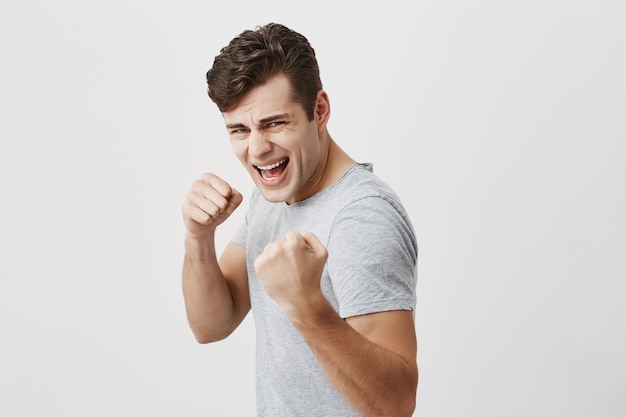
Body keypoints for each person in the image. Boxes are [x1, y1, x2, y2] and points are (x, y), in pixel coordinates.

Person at [181, 23, 418, 417]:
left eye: (274, 123)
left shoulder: (361, 217)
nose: (257, 149)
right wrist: (198, 239)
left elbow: (395, 405)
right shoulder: (274, 196)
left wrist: (306, 305)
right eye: (240, 129)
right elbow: (211, 326)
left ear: (319, 110)